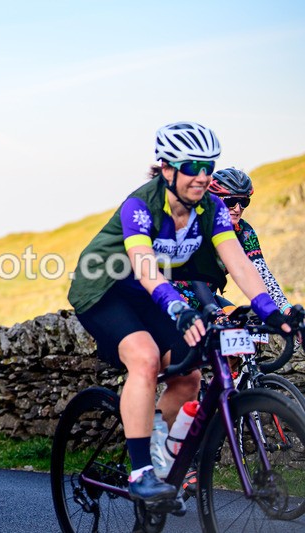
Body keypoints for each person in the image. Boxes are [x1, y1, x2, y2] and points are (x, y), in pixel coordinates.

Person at [67, 122, 293, 505]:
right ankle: (141, 474)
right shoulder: (141, 204)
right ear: (167, 167)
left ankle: (166, 455)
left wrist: (274, 311)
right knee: (145, 357)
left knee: (188, 376)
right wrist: (178, 308)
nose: (202, 176)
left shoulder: (213, 208)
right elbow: (143, 264)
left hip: (151, 293)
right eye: (192, 166)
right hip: (106, 289)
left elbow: (238, 263)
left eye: (208, 166)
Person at [173, 167, 294, 316]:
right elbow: (198, 280)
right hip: (174, 296)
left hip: (210, 299)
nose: (237, 208)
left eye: (244, 202)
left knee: (245, 323)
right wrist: (218, 316)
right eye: (231, 201)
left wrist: (285, 309)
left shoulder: (243, 231)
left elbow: (262, 274)